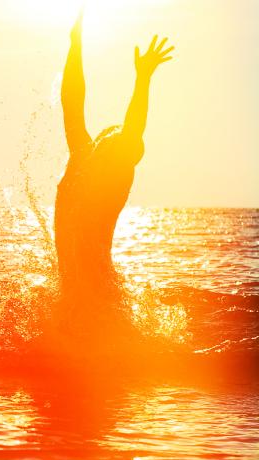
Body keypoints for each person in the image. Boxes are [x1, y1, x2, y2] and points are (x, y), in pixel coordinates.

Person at [55, 11, 173, 315]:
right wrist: (74, 46)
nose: (114, 135)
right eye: (113, 134)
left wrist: (143, 79)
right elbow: (72, 100)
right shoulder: (83, 155)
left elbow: (133, 126)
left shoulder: (112, 177)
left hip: (97, 288)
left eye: (120, 140)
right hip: (75, 287)